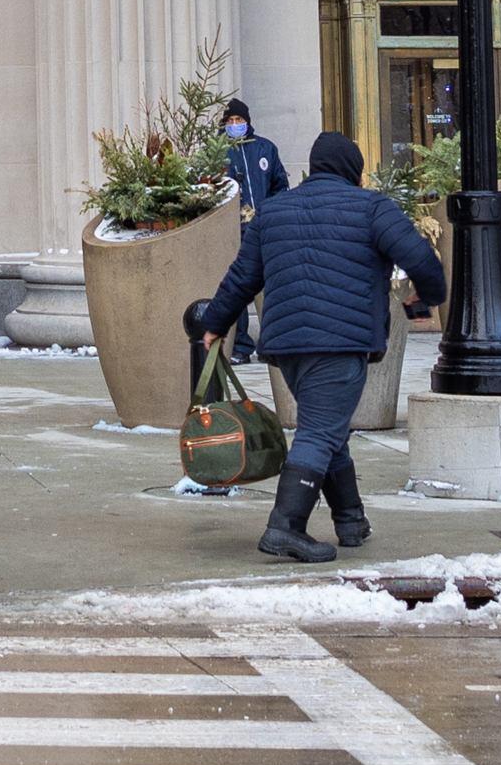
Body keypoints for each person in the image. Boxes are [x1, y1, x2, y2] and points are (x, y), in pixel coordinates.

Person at [187, 130, 444, 565]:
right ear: (354, 172)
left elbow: (242, 277)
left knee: (327, 428)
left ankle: (351, 520)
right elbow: (421, 260)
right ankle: (285, 527)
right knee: (320, 432)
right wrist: (426, 298)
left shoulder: (273, 211)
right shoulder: (372, 207)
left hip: (287, 348)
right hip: (340, 344)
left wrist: (215, 323)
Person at [218, 96, 289, 360]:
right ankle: (240, 346)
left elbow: (279, 185)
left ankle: (274, 343)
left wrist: (272, 213)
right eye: (230, 120)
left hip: (263, 229)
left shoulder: (265, 149)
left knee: (270, 287)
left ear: (248, 122)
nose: (235, 124)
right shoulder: (217, 153)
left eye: (239, 119)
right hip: (233, 232)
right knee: (238, 286)